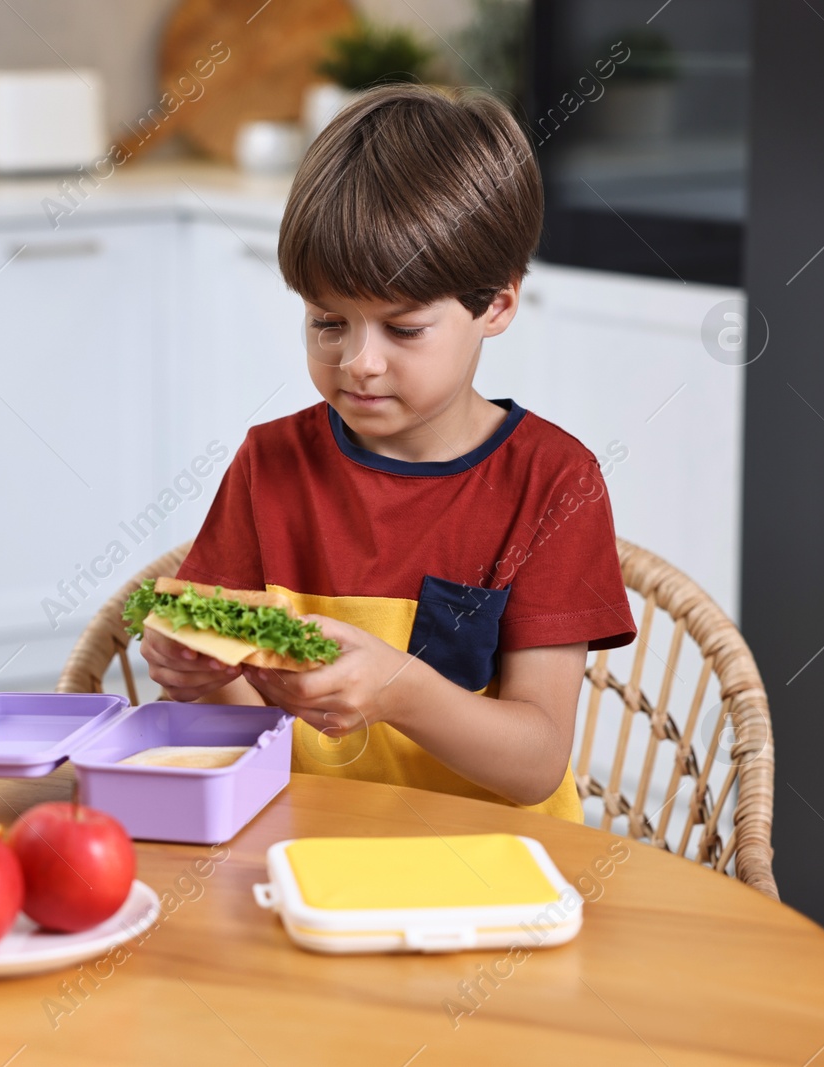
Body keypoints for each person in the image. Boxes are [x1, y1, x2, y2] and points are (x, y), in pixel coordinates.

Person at [139, 83, 636, 822]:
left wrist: (398, 687)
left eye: (403, 329)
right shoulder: (268, 463)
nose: (359, 363)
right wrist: (200, 671)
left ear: (496, 304)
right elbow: (248, 728)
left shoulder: (553, 482)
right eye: (327, 322)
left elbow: (535, 765)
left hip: (496, 873)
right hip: (309, 854)